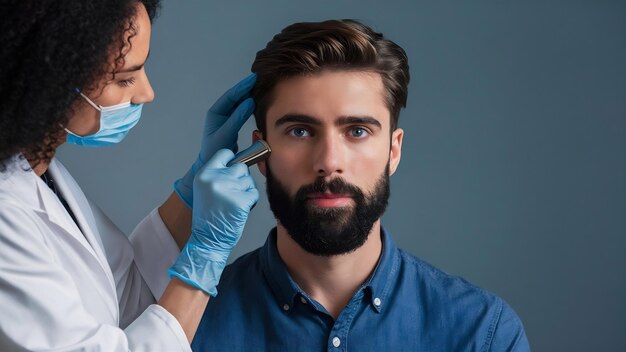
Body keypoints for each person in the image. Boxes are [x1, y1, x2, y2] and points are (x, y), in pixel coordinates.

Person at [192, 19, 531, 351]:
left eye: (357, 131)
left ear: (393, 151)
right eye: (300, 131)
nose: (329, 161)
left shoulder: (483, 333)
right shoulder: (189, 325)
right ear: (260, 153)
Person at [0, 1, 258, 350]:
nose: (146, 93)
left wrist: (192, 192)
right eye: (124, 79)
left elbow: (125, 295)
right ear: (51, 79)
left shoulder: (39, 171)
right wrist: (206, 257)